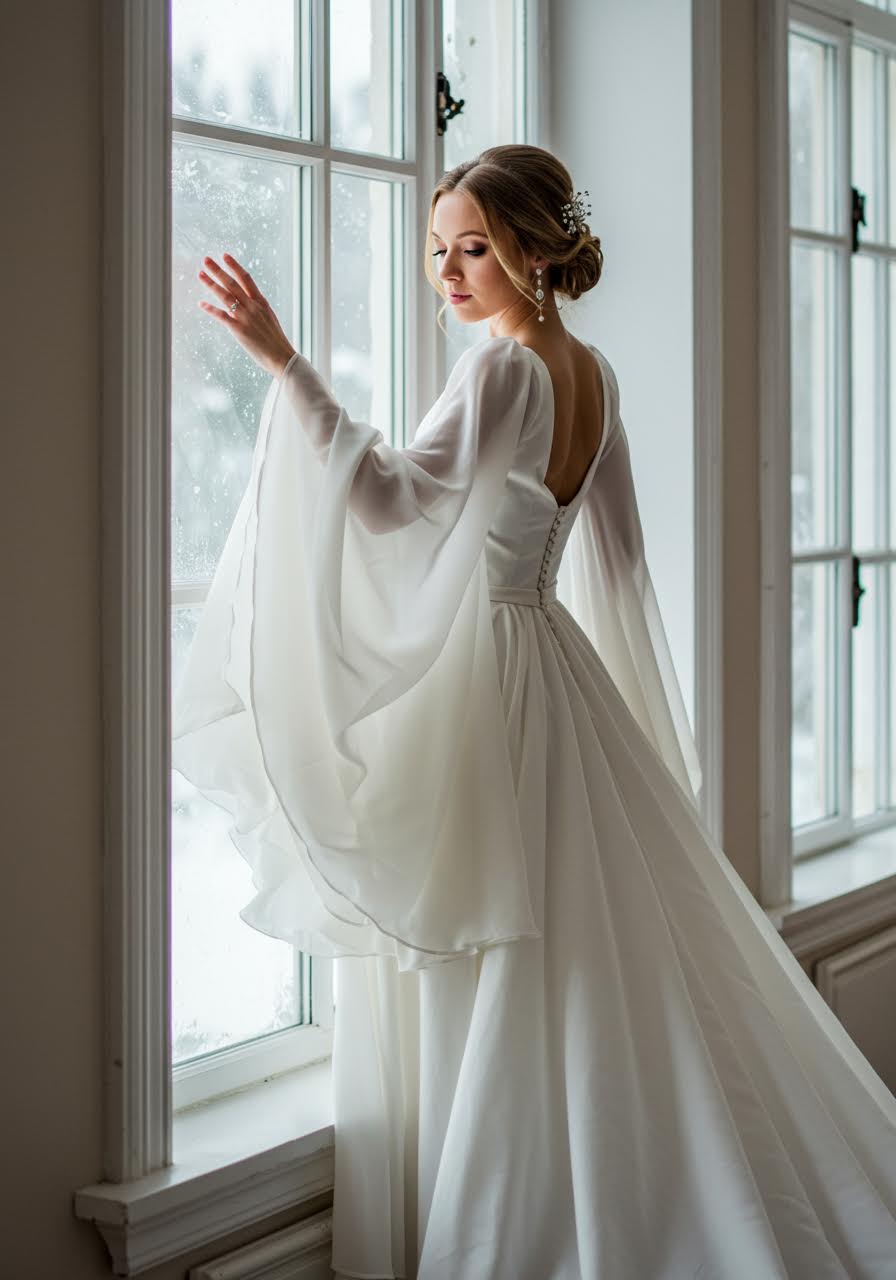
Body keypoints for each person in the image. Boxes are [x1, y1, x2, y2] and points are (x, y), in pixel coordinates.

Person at [174, 145, 896, 1279]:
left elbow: (386, 501)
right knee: (564, 949)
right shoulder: (591, 372)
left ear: (531, 247)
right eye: (435, 248)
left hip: (493, 684)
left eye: (471, 246)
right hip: (555, 668)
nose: (448, 271)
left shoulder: (502, 369)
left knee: (506, 953)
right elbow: (620, 564)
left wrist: (286, 368)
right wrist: (638, 745)